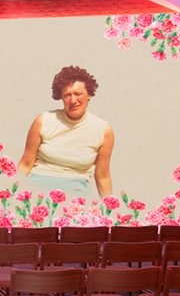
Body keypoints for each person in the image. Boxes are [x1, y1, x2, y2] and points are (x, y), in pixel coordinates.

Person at [16, 65, 114, 202]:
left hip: (76, 196)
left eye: (78, 94)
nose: (73, 100)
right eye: (67, 95)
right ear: (61, 97)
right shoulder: (43, 120)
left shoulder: (103, 129)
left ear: (90, 94)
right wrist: (9, 196)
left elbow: (102, 176)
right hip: (36, 192)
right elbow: (25, 164)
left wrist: (111, 209)